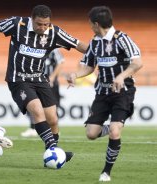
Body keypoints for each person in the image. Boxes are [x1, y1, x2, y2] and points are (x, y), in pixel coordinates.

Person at [0, 4, 88, 163]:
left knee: (53, 119)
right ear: (32, 20)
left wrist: (96, 53)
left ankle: (51, 156)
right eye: (39, 24)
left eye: (46, 24)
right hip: (19, 79)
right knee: (37, 111)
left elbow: (78, 44)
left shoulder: (54, 32)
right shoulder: (18, 24)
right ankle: (56, 152)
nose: (43, 27)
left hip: (40, 79)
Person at [66, 6, 142, 181]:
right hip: (102, 92)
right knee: (91, 133)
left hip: (122, 92)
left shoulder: (122, 39)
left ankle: (106, 171)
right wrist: (75, 75)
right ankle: (113, 126)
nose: (90, 27)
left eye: (91, 24)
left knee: (115, 132)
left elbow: (138, 63)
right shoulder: (94, 42)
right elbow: (89, 66)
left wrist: (122, 76)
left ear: (96, 24)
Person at [21, 48, 64, 137]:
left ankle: (54, 129)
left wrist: (52, 77)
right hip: (35, 82)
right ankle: (33, 128)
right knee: (32, 104)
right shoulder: (31, 48)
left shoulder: (53, 49)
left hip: (50, 83)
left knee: (53, 106)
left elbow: (60, 62)